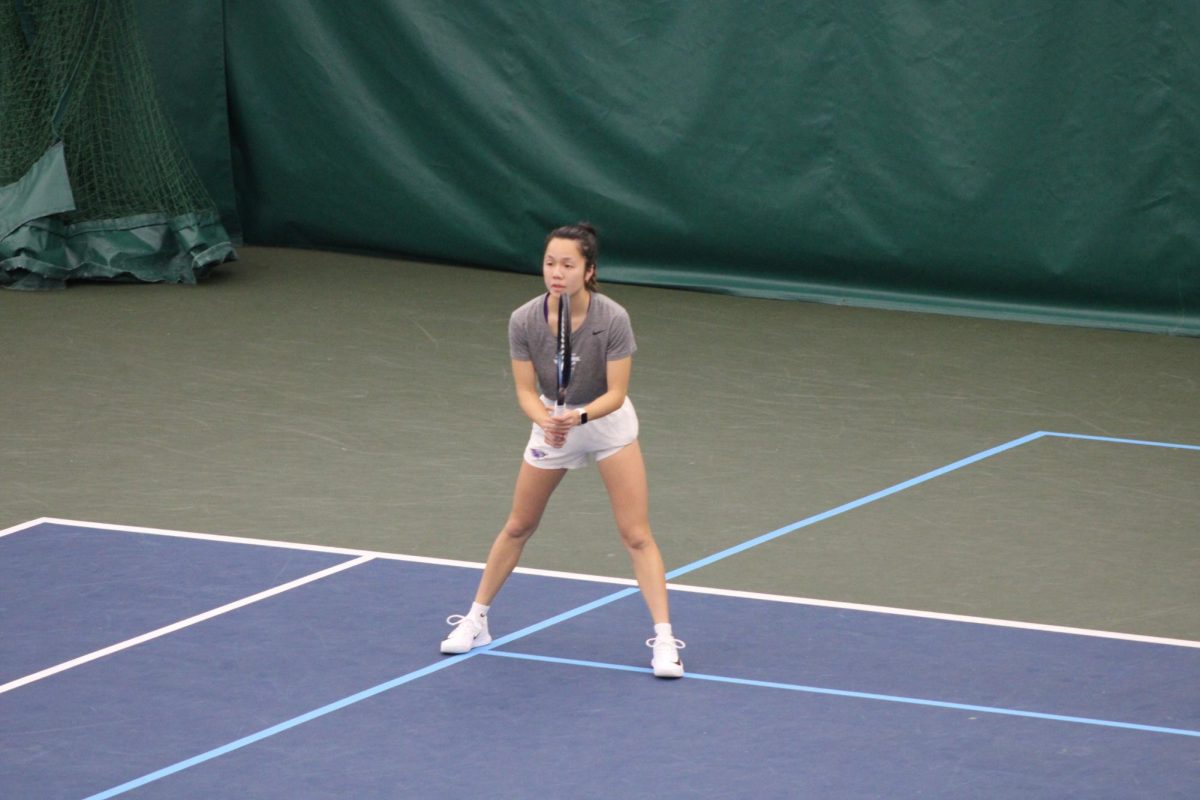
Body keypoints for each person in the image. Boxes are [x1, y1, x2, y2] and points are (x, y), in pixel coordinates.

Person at [440, 222, 685, 678]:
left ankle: (665, 639)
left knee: (636, 535)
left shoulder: (612, 318)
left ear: (589, 270)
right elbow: (524, 390)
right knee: (517, 525)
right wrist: (546, 421)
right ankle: (476, 620)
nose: (556, 272)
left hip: (605, 424)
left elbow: (615, 392)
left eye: (568, 264)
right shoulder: (524, 320)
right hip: (554, 424)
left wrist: (579, 417)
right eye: (550, 262)